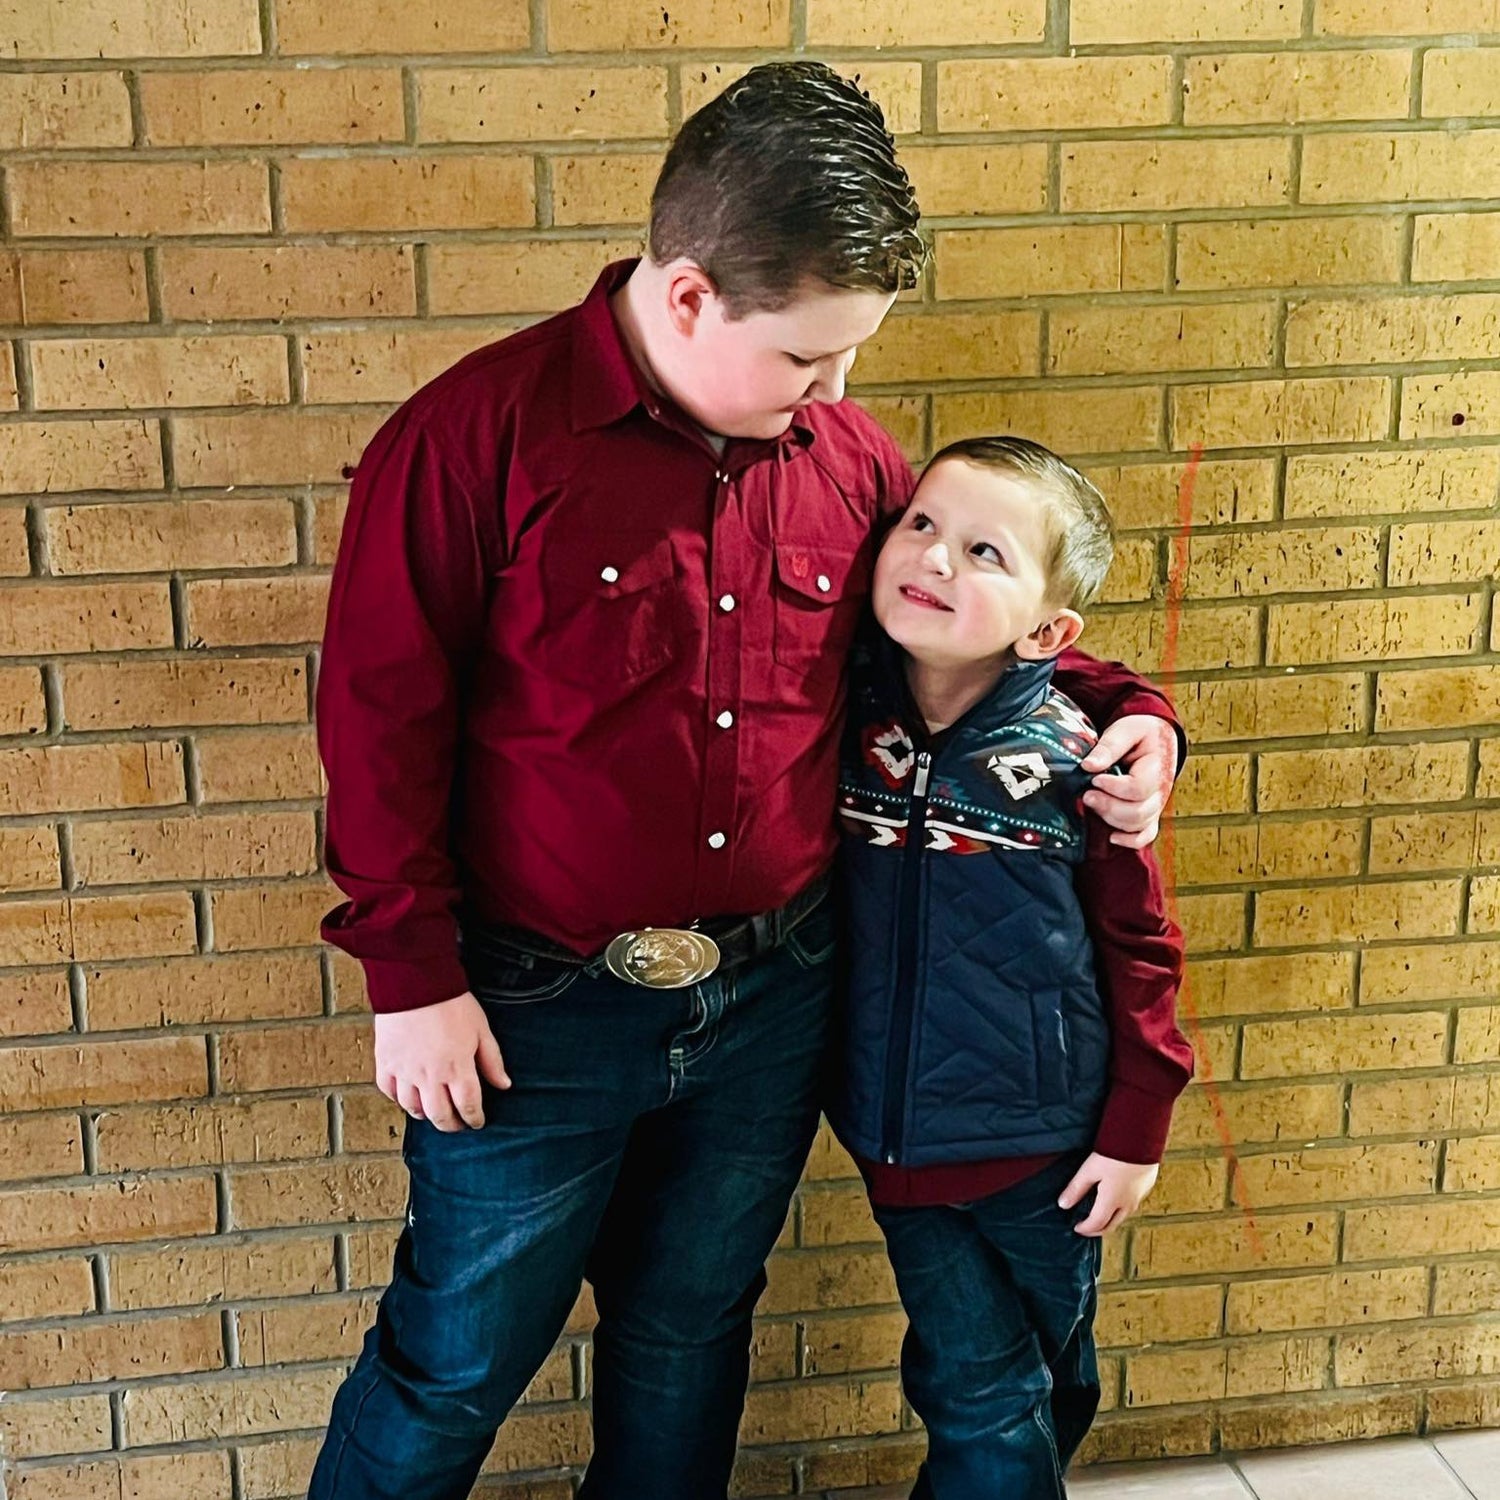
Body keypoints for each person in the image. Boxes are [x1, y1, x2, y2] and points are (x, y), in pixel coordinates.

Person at [309, 63, 1184, 1500]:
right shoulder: (471, 440)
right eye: (807, 359)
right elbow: (376, 718)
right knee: (452, 1362)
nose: (836, 393)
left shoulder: (850, 462)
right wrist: (410, 977)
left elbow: (966, 636)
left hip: (773, 1000)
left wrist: (1135, 713)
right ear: (691, 294)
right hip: (529, 1010)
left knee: (690, 1330)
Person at [829, 436, 1195, 1499]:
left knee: (1044, 1375)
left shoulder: (1083, 763)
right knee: (981, 1389)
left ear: (1048, 630)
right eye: (921, 525)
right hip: (896, 1138)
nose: (936, 558)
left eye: (984, 551)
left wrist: (1136, 1129)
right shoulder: (840, 712)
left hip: (1048, 1147)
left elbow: (1142, 948)